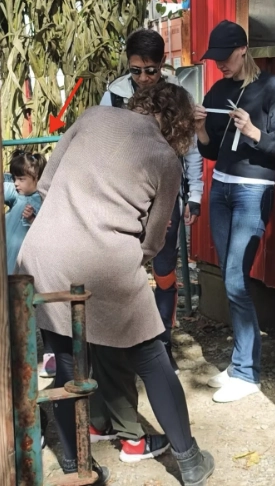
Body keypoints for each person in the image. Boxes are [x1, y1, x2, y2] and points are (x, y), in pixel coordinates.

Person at [17, 82, 215, 486]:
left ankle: (76, 467)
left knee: (66, 362)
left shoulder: (93, 116)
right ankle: (190, 461)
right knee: (152, 358)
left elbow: (47, 184)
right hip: (106, 262)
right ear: (179, 123)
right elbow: (154, 239)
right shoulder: (166, 158)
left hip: (43, 254)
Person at [89, 27, 204, 462]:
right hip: (123, 202)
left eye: (150, 71)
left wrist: (194, 196)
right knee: (121, 286)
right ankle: (133, 355)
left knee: (164, 272)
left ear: (162, 66)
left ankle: (162, 342)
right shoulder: (113, 96)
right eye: (136, 71)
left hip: (164, 196)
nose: (142, 79)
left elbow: (190, 152)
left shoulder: (177, 96)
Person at [195, 20, 275, 403]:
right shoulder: (219, 89)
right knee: (229, 277)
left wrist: (254, 132)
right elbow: (210, 151)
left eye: (225, 56)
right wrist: (201, 129)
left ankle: (247, 374)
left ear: (242, 49)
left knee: (236, 279)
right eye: (215, 58)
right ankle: (239, 362)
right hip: (221, 188)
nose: (219, 63)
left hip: (253, 191)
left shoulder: (271, 87)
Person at [3, 151, 56, 379]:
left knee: (45, 314)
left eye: (21, 179)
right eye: (15, 178)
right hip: (11, 269)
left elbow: (47, 233)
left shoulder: (43, 202)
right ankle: (16, 359)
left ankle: (51, 359)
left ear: (37, 179)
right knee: (14, 315)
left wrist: (34, 219)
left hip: (32, 270)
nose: (16, 183)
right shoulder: (17, 196)